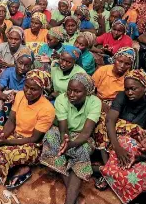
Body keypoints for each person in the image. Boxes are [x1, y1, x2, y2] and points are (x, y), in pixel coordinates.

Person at [0, 70, 55, 188]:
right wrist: (3, 135)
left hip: (31, 144)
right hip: (14, 135)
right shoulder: (21, 95)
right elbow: (11, 120)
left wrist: (6, 142)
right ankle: (6, 162)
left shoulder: (47, 109)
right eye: (26, 86)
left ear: (42, 90)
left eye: (33, 89)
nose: (28, 91)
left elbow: (34, 138)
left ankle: (22, 168)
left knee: (5, 152)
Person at [98, 70, 146, 202]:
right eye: (127, 89)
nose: (129, 92)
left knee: (134, 134)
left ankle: (106, 172)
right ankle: (108, 170)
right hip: (114, 137)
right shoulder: (122, 96)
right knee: (102, 119)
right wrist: (117, 147)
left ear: (144, 87)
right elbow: (110, 120)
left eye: (133, 89)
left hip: (135, 142)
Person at [40, 73, 101, 204]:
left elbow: (86, 133)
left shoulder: (95, 102)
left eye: (77, 91)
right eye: (69, 90)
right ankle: (73, 195)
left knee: (82, 150)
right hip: (64, 133)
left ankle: (69, 200)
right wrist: (65, 142)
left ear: (88, 92)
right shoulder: (61, 100)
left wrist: (70, 144)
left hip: (82, 136)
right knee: (50, 136)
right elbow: (63, 129)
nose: (71, 94)